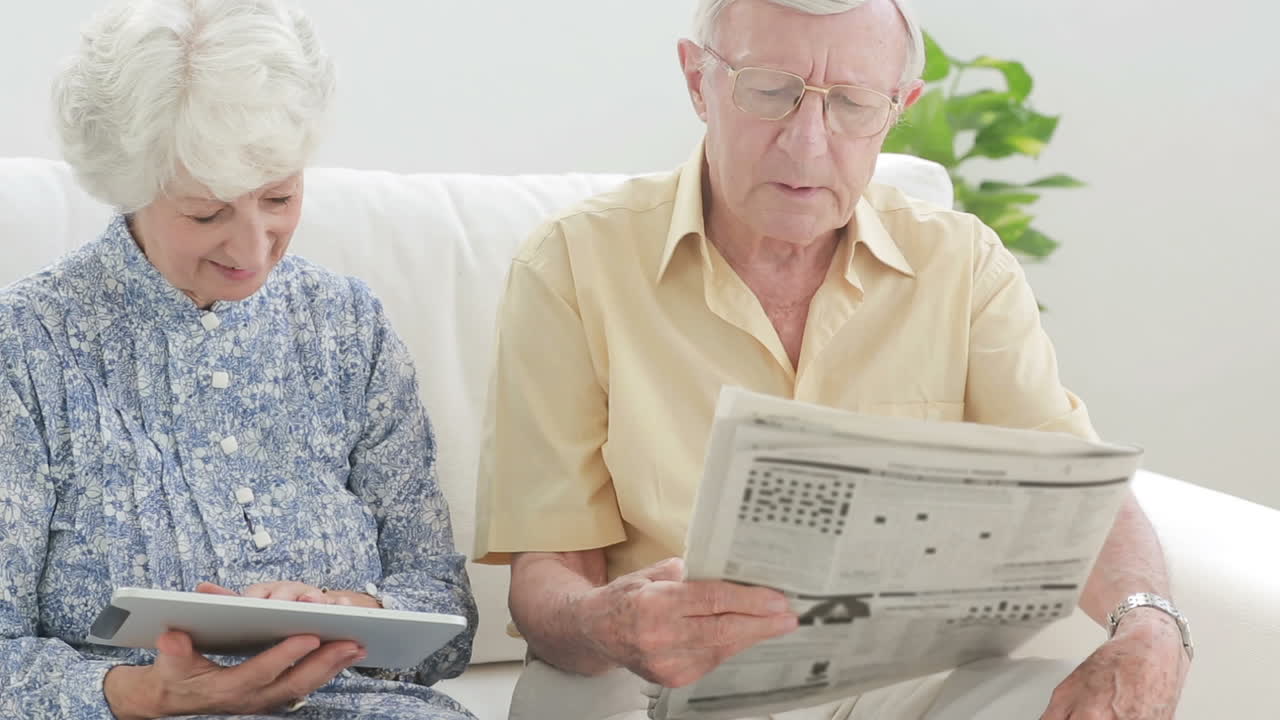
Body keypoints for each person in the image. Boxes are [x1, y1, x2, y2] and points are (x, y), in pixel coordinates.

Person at [473, 1, 1189, 718]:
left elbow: (1079, 496)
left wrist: (1151, 623)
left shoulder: (962, 264)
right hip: (660, 684)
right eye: (769, 88)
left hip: (901, 684)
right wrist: (609, 623)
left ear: (898, 108)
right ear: (698, 82)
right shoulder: (572, 262)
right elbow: (549, 578)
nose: (808, 143)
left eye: (852, 102)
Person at [0, 1, 477, 717]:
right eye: (206, 213)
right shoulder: (26, 348)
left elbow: (446, 625)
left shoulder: (347, 326)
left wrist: (347, 609)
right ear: (129, 188)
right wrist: (137, 693)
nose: (254, 251)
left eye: (279, 197)